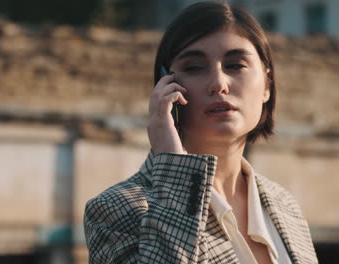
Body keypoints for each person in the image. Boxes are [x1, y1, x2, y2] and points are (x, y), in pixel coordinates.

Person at [84, 2, 318, 264]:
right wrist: (175, 170)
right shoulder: (116, 210)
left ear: (267, 84)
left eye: (235, 65)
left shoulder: (285, 206)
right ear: (166, 86)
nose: (218, 83)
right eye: (194, 67)